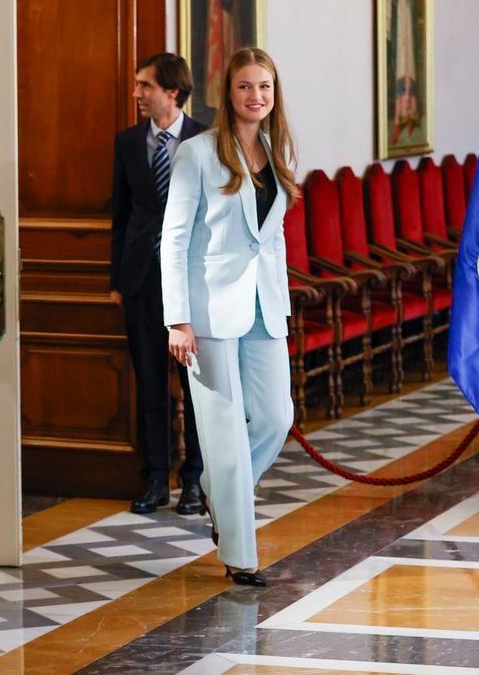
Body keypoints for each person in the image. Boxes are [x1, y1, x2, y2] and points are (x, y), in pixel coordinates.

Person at [160, 47, 296, 587]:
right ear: (228, 93)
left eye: (264, 86)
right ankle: (241, 555)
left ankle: (219, 493)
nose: (255, 96)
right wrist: (178, 319)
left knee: (274, 418)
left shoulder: (277, 148)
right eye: (245, 86)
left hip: (265, 307)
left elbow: (273, 236)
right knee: (224, 435)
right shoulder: (195, 154)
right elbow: (173, 239)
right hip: (209, 311)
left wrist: (282, 298)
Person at [111, 53, 207, 515]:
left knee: (195, 389)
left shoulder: (206, 138)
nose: (136, 94)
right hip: (142, 281)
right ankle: (154, 480)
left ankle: (195, 481)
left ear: (172, 91)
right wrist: (118, 279)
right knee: (149, 383)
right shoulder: (128, 142)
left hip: (192, 284)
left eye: (144, 85)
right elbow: (122, 215)